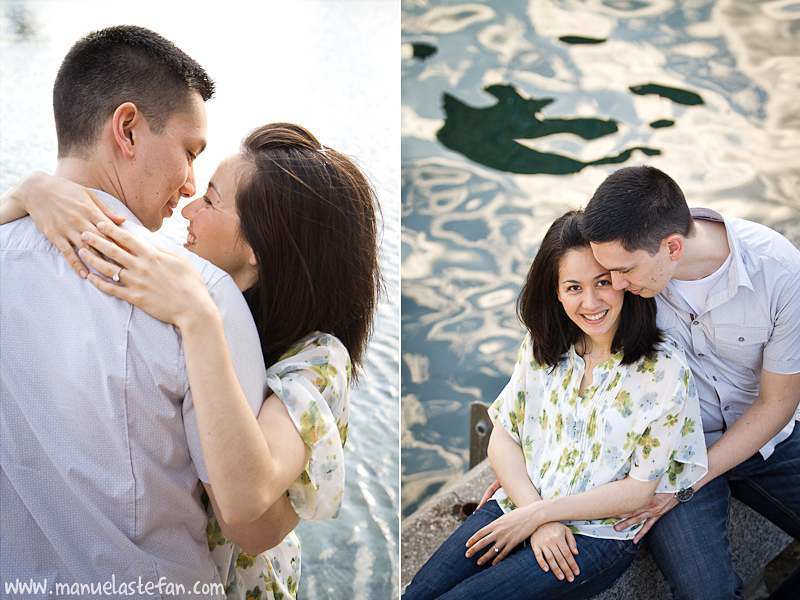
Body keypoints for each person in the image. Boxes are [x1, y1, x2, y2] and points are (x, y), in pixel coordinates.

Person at [2, 123, 382, 600]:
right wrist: (31, 191)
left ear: (256, 246)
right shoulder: (212, 302)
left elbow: (248, 516)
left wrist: (199, 316)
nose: (188, 209)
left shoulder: (318, 360)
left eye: (211, 201)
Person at [0, 26, 293, 598]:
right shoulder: (202, 296)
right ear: (127, 129)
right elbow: (248, 521)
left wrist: (24, 193)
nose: (189, 186)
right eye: (190, 153)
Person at [402, 210, 707, 600]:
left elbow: (637, 491)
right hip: (517, 506)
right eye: (574, 287)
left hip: (597, 534)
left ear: (623, 282)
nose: (591, 302)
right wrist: (534, 514)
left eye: (602, 283)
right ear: (556, 291)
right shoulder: (542, 348)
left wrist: (543, 515)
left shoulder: (662, 369)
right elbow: (503, 436)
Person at [580, 165, 800, 600]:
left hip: (763, 441)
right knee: (708, 593)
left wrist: (686, 484)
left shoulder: (778, 270)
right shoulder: (633, 277)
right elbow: (564, 356)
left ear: (673, 247)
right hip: (669, 453)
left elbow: (777, 404)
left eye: (624, 270)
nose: (616, 285)